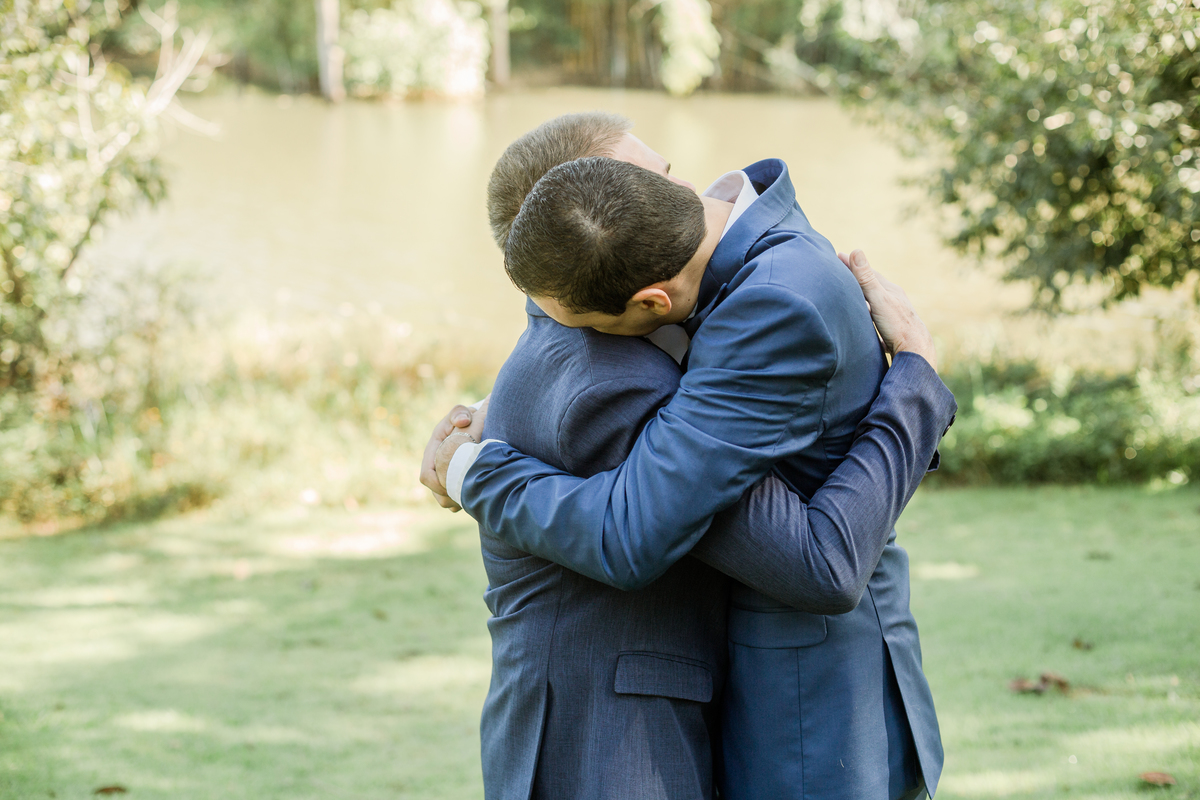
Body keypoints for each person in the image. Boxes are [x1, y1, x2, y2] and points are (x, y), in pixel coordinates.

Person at [422, 113, 954, 800]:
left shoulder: (762, 304)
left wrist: (916, 379)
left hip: (814, 701)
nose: (679, 193)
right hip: (659, 721)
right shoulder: (721, 286)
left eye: (656, 176)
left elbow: (811, 562)